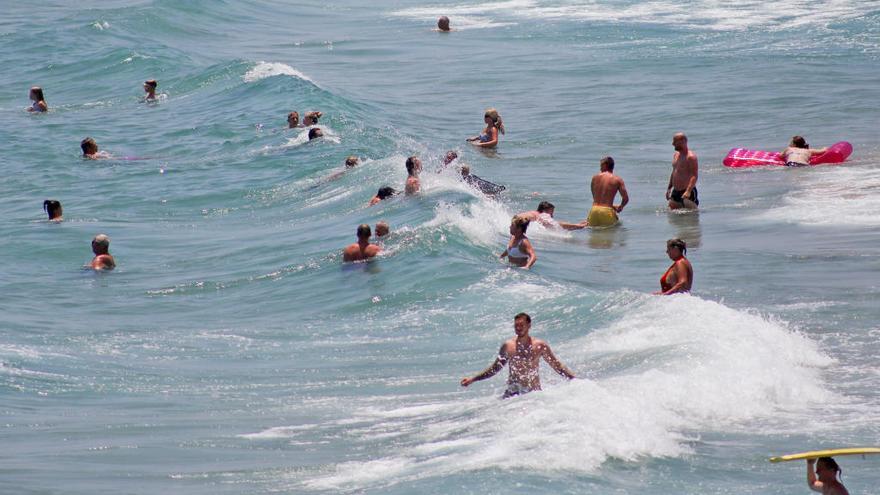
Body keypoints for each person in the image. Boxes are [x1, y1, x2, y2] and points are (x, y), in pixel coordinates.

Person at [460, 312, 575, 398]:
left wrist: (576, 381)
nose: (518, 329)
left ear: (529, 325)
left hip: (533, 395)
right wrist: (473, 379)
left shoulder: (540, 346)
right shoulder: (508, 346)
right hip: (512, 395)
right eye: (516, 326)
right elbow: (495, 369)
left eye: (521, 325)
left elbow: (557, 366)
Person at [587, 156, 628, 227]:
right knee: (613, 232)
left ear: (605, 165)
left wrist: (610, 206)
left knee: (593, 236)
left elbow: (596, 198)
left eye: (601, 166)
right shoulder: (617, 179)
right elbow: (625, 198)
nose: (600, 168)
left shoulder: (594, 178)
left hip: (594, 210)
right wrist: (621, 207)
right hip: (607, 212)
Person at [666, 132, 699, 209]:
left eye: (675, 141)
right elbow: (674, 172)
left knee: (692, 215)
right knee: (672, 216)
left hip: (687, 191)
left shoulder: (690, 157)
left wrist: (688, 191)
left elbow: (694, 175)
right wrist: (669, 188)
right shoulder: (676, 155)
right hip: (676, 191)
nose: (672, 144)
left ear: (683, 141)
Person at [519, 201, 588, 230]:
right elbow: (557, 225)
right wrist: (577, 226)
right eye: (551, 212)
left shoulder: (533, 213)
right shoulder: (542, 215)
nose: (552, 215)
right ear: (545, 210)